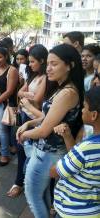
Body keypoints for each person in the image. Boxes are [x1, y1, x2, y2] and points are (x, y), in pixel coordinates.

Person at [17, 44, 84, 218]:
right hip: (47, 152)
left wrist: (24, 135)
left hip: (47, 154)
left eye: (54, 64)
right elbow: (50, 118)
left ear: (69, 65)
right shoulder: (61, 88)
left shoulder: (67, 93)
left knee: (32, 196)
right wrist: (29, 124)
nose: (48, 68)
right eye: (47, 64)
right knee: (43, 194)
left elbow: (44, 131)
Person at [50, 86, 100, 218]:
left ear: (94, 115)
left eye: (84, 107)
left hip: (72, 211)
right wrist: (68, 136)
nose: (82, 110)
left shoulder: (87, 148)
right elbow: (80, 161)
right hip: (93, 210)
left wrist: (59, 163)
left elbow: (55, 172)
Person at [7, 44, 47, 198]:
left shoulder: (45, 78)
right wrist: (27, 97)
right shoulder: (33, 76)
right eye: (29, 62)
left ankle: (30, 185)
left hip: (36, 119)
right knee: (21, 150)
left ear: (42, 60)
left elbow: (37, 100)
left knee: (33, 154)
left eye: (32, 61)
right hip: (25, 116)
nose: (29, 65)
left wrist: (27, 98)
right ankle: (19, 182)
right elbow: (19, 91)